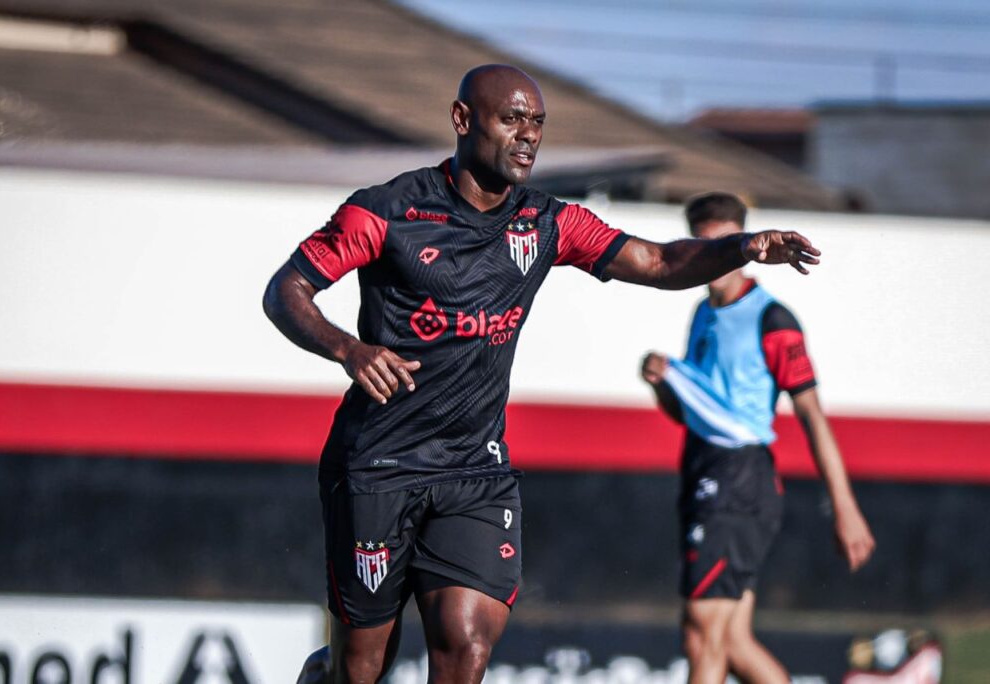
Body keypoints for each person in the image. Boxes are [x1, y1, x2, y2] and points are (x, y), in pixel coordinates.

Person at [263, 65, 820, 684]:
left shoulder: (548, 222)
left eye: (537, 124)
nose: (527, 136)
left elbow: (658, 260)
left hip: (476, 472)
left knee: (466, 642)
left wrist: (741, 247)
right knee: (362, 668)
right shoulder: (386, 210)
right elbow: (286, 290)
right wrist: (348, 348)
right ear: (462, 119)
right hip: (377, 466)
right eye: (511, 119)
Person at [640, 192, 875, 684]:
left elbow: (811, 414)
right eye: (704, 246)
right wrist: (663, 386)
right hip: (702, 470)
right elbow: (690, 413)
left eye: (725, 244)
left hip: (740, 481)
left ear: (743, 243)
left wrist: (845, 506)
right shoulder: (703, 315)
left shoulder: (773, 319)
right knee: (734, 643)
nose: (716, 257)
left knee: (701, 635)